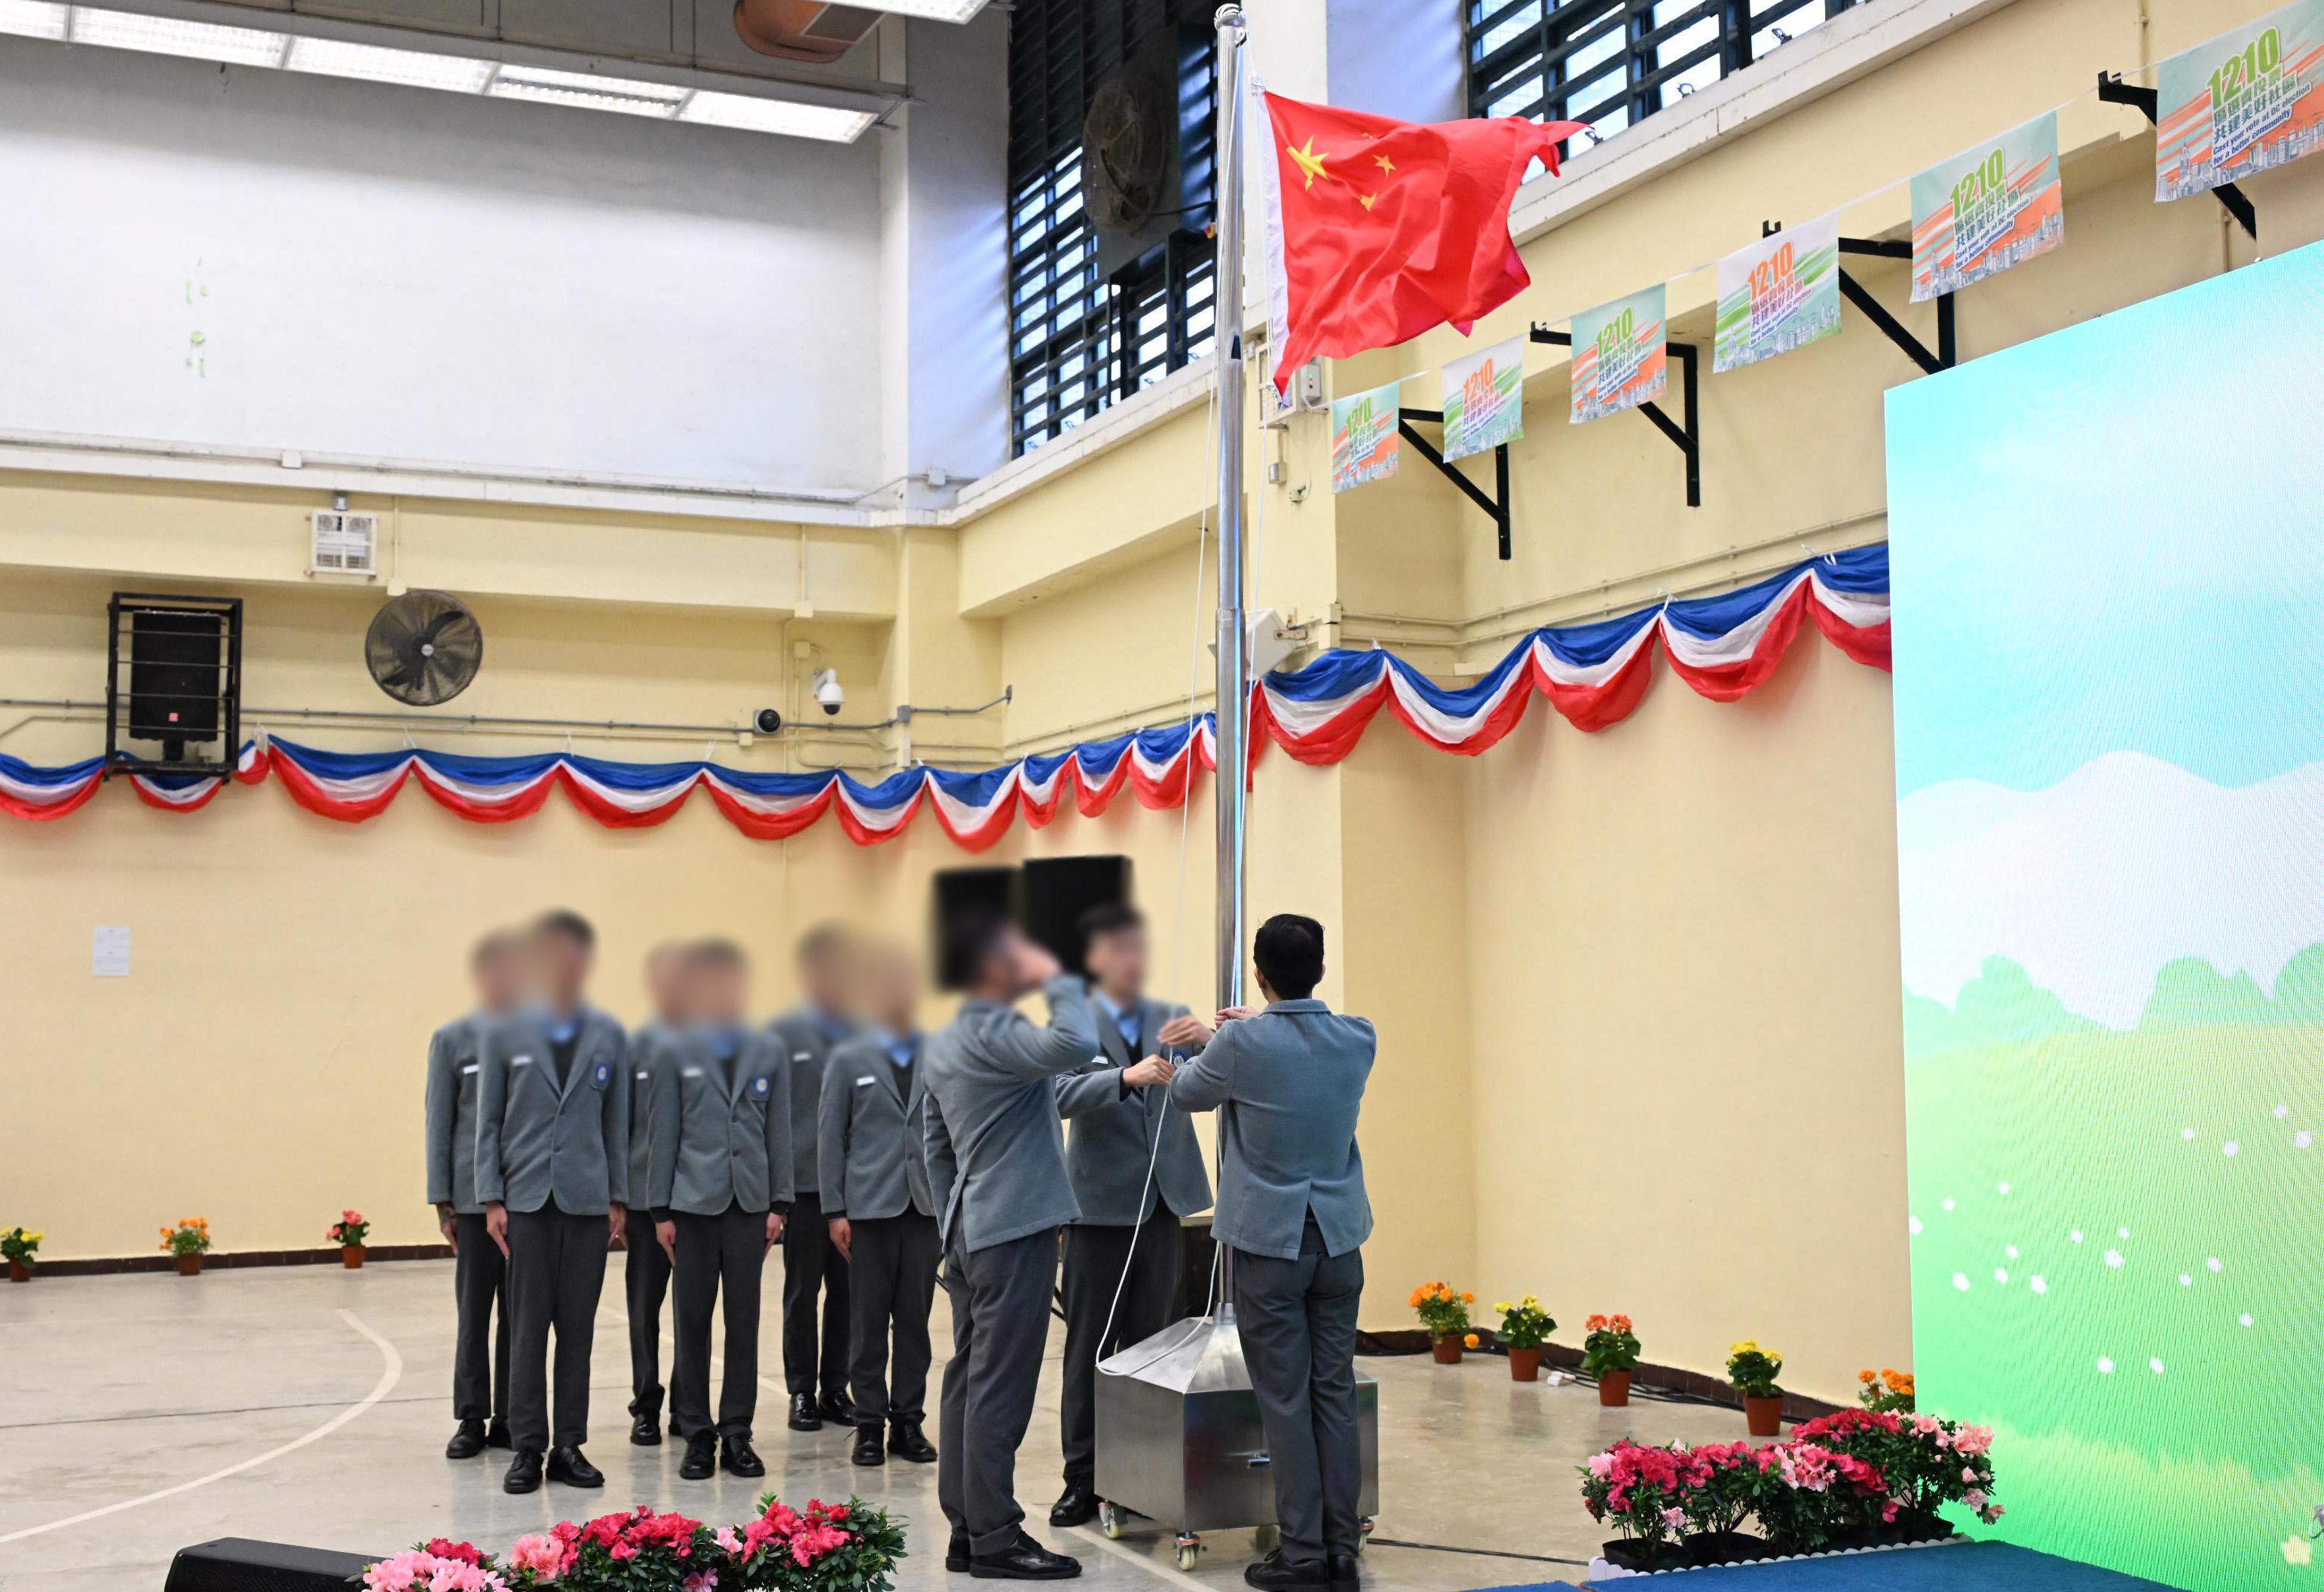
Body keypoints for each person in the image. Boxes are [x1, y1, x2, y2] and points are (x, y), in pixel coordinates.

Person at [1165, 915, 1373, 1592]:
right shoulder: (1358, 1037)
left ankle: (1303, 1551)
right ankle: (1343, 1544)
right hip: (1339, 1242)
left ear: (1258, 973)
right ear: (1320, 969)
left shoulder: (1240, 1044)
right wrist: (1253, 1027)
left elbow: (1187, 1091)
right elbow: (1301, 1043)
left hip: (1270, 1245)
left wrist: (1217, 1037)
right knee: (1333, 1393)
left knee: (1283, 1400)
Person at [922, 914, 1098, 1581]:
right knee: (1000, 1387)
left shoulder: (944, 1040)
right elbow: (1079, 1043)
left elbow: (936, 1147)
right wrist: (1063, 980)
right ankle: (996, 1536)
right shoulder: (998, 1032)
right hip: (1014, 1230)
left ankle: (967, 1528)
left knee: (969, 1378)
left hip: (970, 1231)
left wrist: (951, 1226)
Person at [1048, 904, 1211, 1528]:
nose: (1133, 960)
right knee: (1090, 1347)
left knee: (1155, 1348)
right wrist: (1123, 1076)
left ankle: (1143, 1474)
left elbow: (1207, 1081)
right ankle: (1081, 1479)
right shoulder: (1071, 1024)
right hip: (1097, 1210)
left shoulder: (1171, 1016)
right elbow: (1057, 1094)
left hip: (1163, 1203)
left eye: (1139, 948)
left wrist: (1209, 1043)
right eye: (1120, 950)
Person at [475, 910, 630, 1496]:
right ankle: (527, 1449)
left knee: (578, 1329)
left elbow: (617, 1122)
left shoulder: (608, 1034)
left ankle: (569, 1445)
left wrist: (618, 1197)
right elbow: (486, 1122)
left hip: (588, 1204)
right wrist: (491, 1197)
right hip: (527, 1202)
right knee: (527, 1329)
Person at [647, 938, 790, 1482]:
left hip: (749, 1206)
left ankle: (737, 1432)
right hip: (692, 1206)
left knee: (744, 1322)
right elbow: (664, 1134)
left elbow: (777, 1131)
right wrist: (660, 1209)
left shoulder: (767, 1050)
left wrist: (779, 1203)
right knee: (692, 1322)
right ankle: (697, 1433)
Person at [819, 944, 941, 1471]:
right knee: (868, 1320)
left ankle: (908, 1420)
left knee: (915, 1319)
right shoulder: (849, 1058)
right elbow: (831, 1138)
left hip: (924, 1207)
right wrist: (835, 1210)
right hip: (867, 1210)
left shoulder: (938, 1053)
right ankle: (869, 1423)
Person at [425, 929, 522, 1461]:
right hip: (470, 1200)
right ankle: (470, 1416)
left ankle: (510, 1414)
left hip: (527, 1198)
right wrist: (443, 1201)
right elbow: (440, 1122)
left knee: (519, 1312)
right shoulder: (454, 1039)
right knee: (475, 1311)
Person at [767, 925, 859, 1433]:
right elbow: (771, 1117)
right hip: (803, 1186)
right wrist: (776, 1194)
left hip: (854, 1187)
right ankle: (801, 1390)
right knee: (803, 1291)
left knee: (846, 1294)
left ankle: (835, 1388)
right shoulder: (782, 1034)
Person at [623, 941, 692, 1447]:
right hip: (645, 1200)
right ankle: (646, 1404)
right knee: (645, 1307)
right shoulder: (634, 1048)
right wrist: (619, 1201)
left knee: (692, 1309)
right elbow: (619, 1127)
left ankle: (688, 1406)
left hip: (697, 1200)